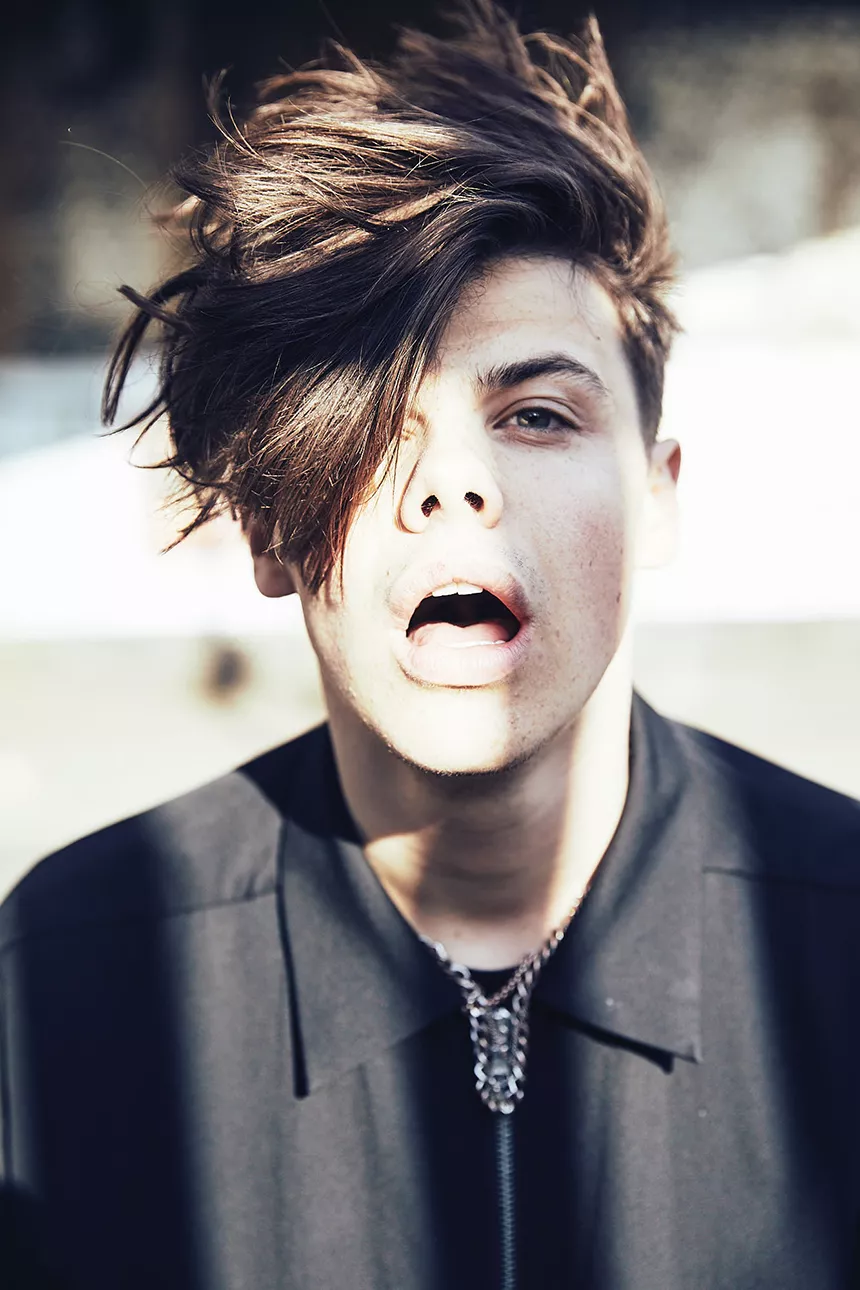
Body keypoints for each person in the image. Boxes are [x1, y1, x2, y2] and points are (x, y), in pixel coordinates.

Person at [2, 4, 859, 1288]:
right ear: (267, 530)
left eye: (535, 415)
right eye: (371, 428)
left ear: (657, 494)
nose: (454, 485)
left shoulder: (836, 940)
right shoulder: (70, 974)